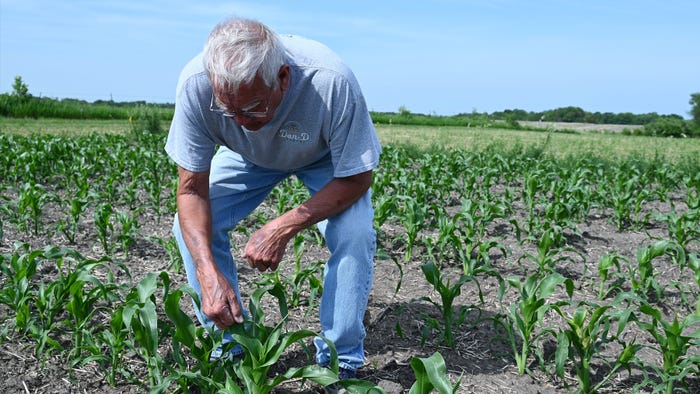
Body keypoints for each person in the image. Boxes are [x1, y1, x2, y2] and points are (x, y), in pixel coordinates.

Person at [165, 17, 381, 384]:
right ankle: (228, 344)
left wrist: (282, 226)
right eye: (227, 111)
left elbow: (358, 176)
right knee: (188, 227)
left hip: (323, 157)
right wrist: (207, 272)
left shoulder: (330, 81)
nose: (239, 119)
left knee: (355, 232)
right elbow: (191, 192)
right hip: (247, 156)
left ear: (283, 78)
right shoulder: (196, 86)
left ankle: (339, 358)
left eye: (251, 108)